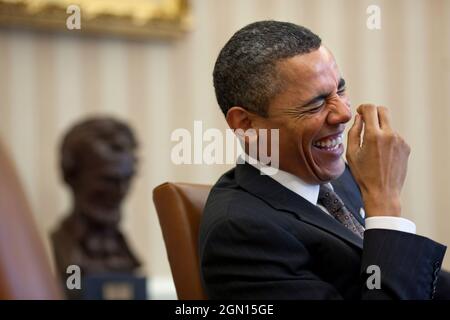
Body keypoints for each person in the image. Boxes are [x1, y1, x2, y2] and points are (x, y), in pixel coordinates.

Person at [199, 20, 450, 299]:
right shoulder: (240, 232)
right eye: (316, 103)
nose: (343, 114)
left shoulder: (340, 180)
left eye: (340, 91)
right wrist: (385, 203)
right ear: (246, 124)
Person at [51, 117, 141, 288]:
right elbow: (73, 286)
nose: (120, 192)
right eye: (108, 180)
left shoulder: (123, 251)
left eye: (127, 179)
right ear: (71, 176)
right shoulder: (60, 250)